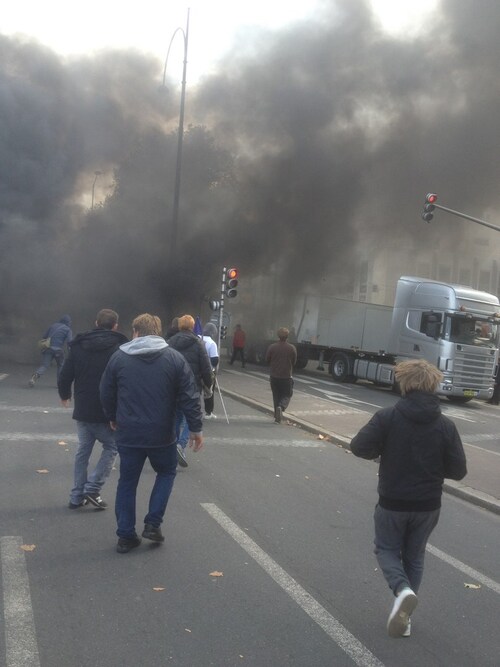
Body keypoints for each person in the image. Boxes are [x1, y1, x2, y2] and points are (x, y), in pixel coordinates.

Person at [350, 359, 467, 638]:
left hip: (394, 501)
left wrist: (380, 453)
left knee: (386, 550)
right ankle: (405, 618)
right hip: (428, 504)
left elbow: (358, 446)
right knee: (414, 556)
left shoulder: (388, 417)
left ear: (405, 383)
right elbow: (459, 470)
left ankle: (402, 592)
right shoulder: (445, 425)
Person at [99, 313, 203, 554]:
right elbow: (190, 396)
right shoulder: (175, 359)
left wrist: (112, 417)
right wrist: (196, 429)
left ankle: (125, 536)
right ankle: (153, 524)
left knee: (127, 482)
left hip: (128, 433)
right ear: (157, 332)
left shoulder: (119, 358)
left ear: (135, 331)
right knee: (166, 472)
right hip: (162, 434)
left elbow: (106, 391)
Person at [58, 309, 128, 510]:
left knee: (83, 451)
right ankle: (93, 486)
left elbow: (65, 374)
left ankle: (76, 495)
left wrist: (65, 395)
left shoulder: (79, 346)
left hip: (83, 407)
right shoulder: (120, 347)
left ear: (96, 322)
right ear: (115, 325)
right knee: (112, 447)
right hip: (109, 409)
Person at [166, 314, 213, 468]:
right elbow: (206, 367)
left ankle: (173, 447)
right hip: (192, 387)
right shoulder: (198, 343)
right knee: (190, 416)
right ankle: (181, 445)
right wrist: (208, 385)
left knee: (177, 416)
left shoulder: (169, 343)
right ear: (192, 327)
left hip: (174, 386)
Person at [29, 315, 72, 386]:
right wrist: (70, 352)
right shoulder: (68, 329)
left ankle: (35, 375)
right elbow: (69, 342)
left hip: (48, 349)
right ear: (68, 322)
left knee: (44, 365)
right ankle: (60, 383)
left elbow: (44, 336)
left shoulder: (53, 326)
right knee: (61, 365)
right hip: (58, 350)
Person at [266, 327, 297, 423]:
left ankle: (277, 416)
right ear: (287, 337)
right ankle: (281, 407)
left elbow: (267, 359)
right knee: (287, 394)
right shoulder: (291, 348)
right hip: (286, 376)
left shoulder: (272, 347)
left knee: (276, 395)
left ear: (278, 336)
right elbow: (294, 362)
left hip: (274, 376)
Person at [202, 322, 219, 419]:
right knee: (209, 391)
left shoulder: (199, 338)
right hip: (208, 371)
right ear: (213, 333)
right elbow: (214, 360)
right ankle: (208, 412)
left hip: (198, 370)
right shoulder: (212, 344)